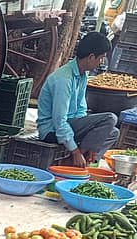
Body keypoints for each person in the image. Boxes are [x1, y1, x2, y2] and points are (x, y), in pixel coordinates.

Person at [37, 32, 120, 168]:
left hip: (71, 124)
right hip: (51, 130)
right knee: (110, 118)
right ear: (91, 57)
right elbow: (59, 121)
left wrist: (92, 142)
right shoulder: (63, 79)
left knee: (113, 132)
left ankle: (84, 160)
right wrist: (75, 151)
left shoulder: (82, 75)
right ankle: (75, 159)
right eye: (101, 58)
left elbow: (81, 110)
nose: (101, 62)